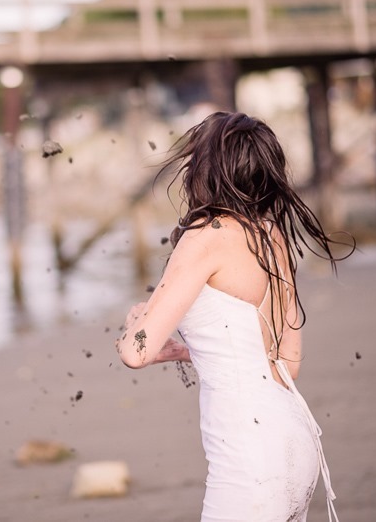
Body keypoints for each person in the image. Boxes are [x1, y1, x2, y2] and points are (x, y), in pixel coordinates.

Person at [115, 111, 351, 522]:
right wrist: (188, 352)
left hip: (249, 453)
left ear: (206, 169)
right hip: (295, 440)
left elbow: (135, 352)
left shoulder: (205, 236)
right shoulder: (270, 234)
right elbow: (285, 363)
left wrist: (136, 323)